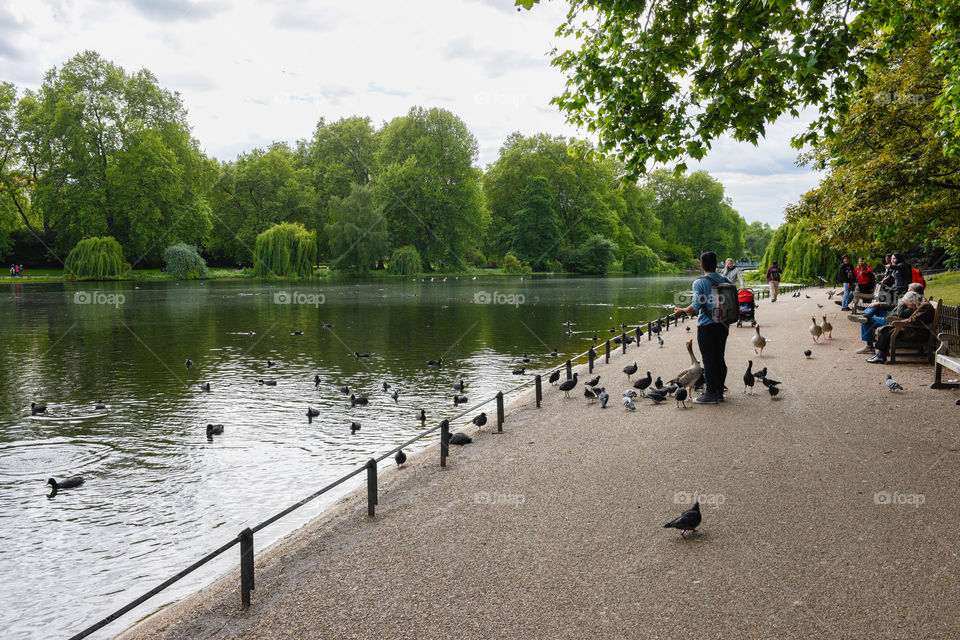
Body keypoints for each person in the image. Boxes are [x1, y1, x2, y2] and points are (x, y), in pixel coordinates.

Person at [674, 251, 728, 404]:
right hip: (723, 325)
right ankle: (719, 392)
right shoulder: (725, 280)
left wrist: (682, 311)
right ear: (717, 265)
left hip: (707, 326)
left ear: (701, 265)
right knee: (719, 358)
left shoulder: (700, 282)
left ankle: (710, 393)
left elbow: (696, 306)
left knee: (709, 360)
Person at [866, 291, 935, 364]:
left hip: (918, 332)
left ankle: (880, 356)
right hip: (915, 329)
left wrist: (900, 323)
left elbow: (914, 320)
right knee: (885, 329)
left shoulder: (925, 306)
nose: (908, 307)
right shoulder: (921, 304)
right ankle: (880, 355)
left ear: (913, 301)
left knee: (885, 331)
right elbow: (914, 320)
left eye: (908, 304)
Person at [856, 282, 924, 354]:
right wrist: (879, 304)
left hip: (892, 321)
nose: (907, 292)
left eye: (909, 290)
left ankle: (869, 347)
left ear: (914, 293)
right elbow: (894, 306)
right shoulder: (912, 300)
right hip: (891, 315)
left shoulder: (914, 304)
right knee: (876, 307)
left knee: (866, 321)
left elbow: (901, 314)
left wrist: (902, 302)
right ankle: (865, 314)